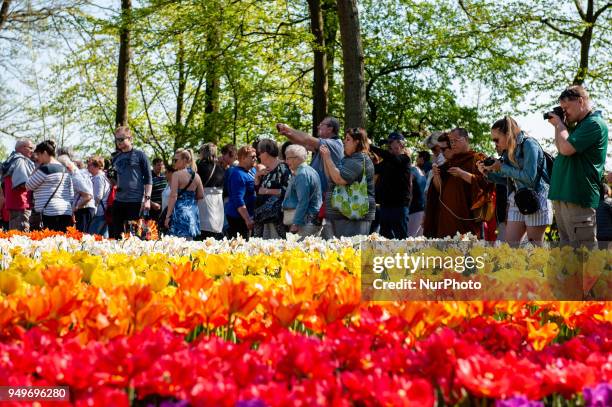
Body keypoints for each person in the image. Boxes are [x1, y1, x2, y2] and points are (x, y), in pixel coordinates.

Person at [547, 85, 609, 245]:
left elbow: (566, 148)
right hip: (564, 194)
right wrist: (560, 125)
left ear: (580, 101)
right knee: (568, 252)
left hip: (577, 196)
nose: (564, 112)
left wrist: (560, 125)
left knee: (583, 254)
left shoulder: (594, 124)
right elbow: (561, 147)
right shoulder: (578, 126)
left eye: (566, 107)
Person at [478, 116, 553, 243]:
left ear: (508, 134)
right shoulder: (507, 151)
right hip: (518, 199)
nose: (495, 144)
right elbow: (508, 180)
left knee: (534, 249)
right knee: (510, 247)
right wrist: (487, 173)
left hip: (536, 199)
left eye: (496, 140)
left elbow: (529, 178)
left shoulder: (529, 144)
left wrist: (501, 167)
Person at [277, 117, 344, 238]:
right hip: (322, 202)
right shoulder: (323, 146)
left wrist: (289, 128)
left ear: (330, 129)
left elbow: (307, 139)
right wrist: (287, 134)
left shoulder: (333, 144)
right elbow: (303, 143)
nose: (318, 127)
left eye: (322, 124)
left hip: (328, 201)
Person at [424, 129, 492, 238]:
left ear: (465, 139)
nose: (453, 144)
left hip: (467, 218)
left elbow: (486, 183)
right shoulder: (449, 163)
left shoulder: (478, 158)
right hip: (446, 218)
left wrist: (462, 174)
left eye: (455, 140)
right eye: (451, 142)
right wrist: (436, 176)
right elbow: (439, 191)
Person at [319, 127, 375, 237]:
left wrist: (328, 157)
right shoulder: (348, 159)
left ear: (357, 142)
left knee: (350, 250)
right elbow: (330, 176)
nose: (344, 142)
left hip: (353, 215)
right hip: (343, 214)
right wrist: (325, 158)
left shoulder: (359, 158)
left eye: (348, 139)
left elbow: (339, 179)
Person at [109, 126, 153, 239]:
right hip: (119, 199)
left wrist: (147, 199)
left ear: (130, 138)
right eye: (117, 139)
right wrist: (109, 178)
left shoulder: (140, 155)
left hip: (135, 201)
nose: (118, 142)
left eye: (121, 139)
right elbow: (114, 182)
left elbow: (148, 178)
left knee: (135, 235)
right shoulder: (115, 157)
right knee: (117, 234)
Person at [369, 132, 412, 239]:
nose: (391, 146)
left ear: (402, 145)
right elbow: (373, 169)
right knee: (385, 238)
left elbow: (390, 157)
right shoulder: (386, 162)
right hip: (385, 206)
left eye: (394, 143)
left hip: (399, 207)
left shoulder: (405, 160)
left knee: (401, 238)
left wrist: (370, 146)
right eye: (390, 144)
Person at [26, 140, 74, 232]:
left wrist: (36, 168)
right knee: (62, 241)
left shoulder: (45, 169)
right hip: (66, 211)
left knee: (50, 241)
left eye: (38, 155)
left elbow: (28, 185)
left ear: (44, 153)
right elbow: (71, 193)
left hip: (49, 211)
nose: (38, 158)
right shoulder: (65, 170)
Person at [253, 139, 292, 239]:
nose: (258, 156)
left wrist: (267, 191)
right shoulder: (266, 169)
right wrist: (257, 176)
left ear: (265, 153)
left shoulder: (282, 167)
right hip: (262, 217)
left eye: (259, 152)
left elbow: (288, 190)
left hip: (276, 218)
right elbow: (258, 191)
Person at [282, 144, 322, 237]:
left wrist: (296, 223)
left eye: (288, 158)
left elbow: (303, 201)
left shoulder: (302, 175)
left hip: (305, 223)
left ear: (297, 158)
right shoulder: (310, 171)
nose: (286, 161)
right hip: (310, 220)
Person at [164, 149, 203, 240]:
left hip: (179, 212)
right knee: (189, 243)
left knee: (177, 244)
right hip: (192, 211)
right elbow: (201, 195)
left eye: (175, 160)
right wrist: (190, 199)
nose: (174, 163)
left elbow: (173, 196)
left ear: (184, 160)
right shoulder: (196, 176)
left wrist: (168, 216)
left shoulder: (176, 175)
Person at [0, 139, 35, 232]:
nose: (33, 151)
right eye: (30, 148)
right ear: (22, 148)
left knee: (15, 235)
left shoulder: (11, 159)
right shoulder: (20, 161)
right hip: (21, 205)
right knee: (21, 236)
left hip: (13, 204)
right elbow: (21, 183)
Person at [225, 146, 257, 239]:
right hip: (238, 217)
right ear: (243, 158)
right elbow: (238, 199)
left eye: (256, 156)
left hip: (249, 214)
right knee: (241, 245)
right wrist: (247, 219)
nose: (255, 159)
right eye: (252, 157)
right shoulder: (237, 174)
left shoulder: (252, 170)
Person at [58, 155, 95, 233]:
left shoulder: (75, 177)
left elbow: (87, 196)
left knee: (82, 236)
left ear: (67, 167)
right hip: (84, 209)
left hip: (84, 210)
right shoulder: (80, 173)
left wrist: (75, 208)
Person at [196, 143, 225, 239]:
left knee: (204, 231)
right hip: (218, 203)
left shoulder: (199, 166)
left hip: (204, 200)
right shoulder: (220, 167)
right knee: (215, 230)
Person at [87, 156, 111, 237]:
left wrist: (93, 210)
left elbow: (98, 196)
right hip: (104, 210)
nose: (87, 167)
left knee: (91, 236)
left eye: (89, 165)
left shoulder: (98, 177)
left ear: (96, 166)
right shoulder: (104, 176)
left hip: (99, 212)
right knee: (103, 237)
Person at [150, 158, 167, 223]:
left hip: (164, 208)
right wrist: (152, 204)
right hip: (153, 208)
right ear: (153, 165)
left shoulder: (164, 176)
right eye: (158, 165)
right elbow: (144, 194)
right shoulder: (149, 177)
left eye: (162, 165)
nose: (160, 167)